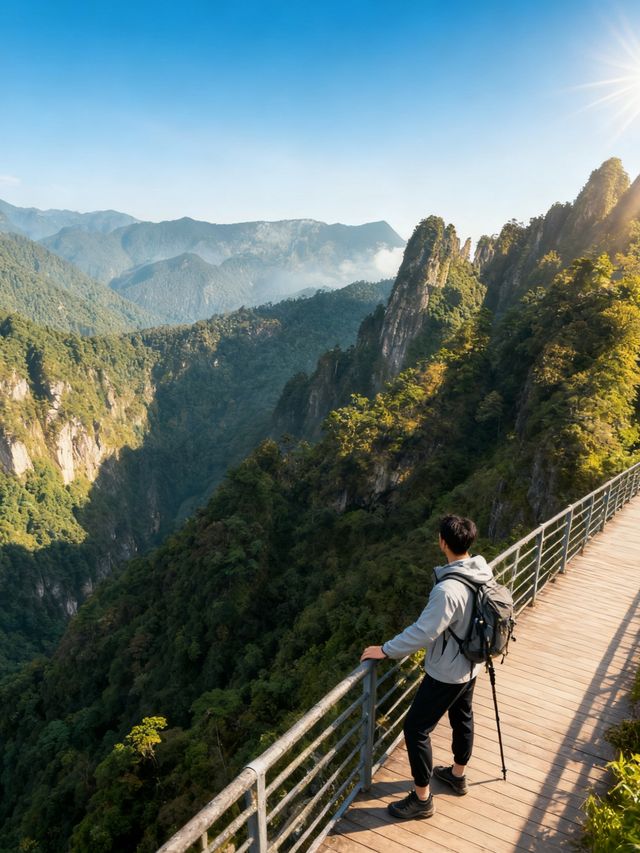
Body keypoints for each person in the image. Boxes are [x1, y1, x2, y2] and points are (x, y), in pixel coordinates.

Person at [360, 514, 492, 820]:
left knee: (416, 729)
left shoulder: (448, 590)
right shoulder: (482, 571)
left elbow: (423, 631)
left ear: (442, 542)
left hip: (448, 671)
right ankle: (457, 775)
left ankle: (421, 799)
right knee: (462, 717)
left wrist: (385, 650)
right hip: (472, 664)